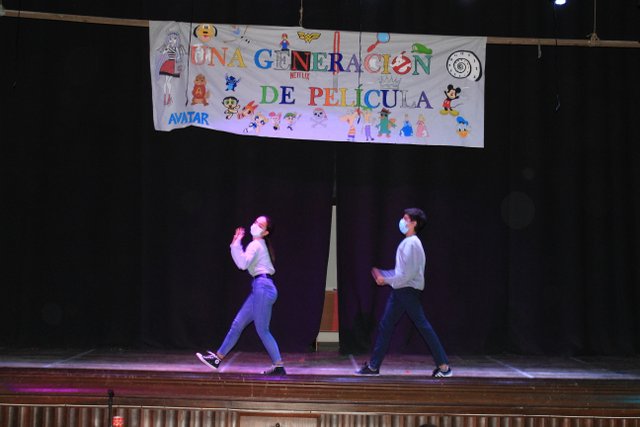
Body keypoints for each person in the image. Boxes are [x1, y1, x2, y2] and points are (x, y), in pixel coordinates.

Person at [356, 208, 452, 378]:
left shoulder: (412, 244)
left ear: (414, 223)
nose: (402, 221)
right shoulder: (409, 243)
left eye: (406, 218)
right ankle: (374, 366)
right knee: (387, 326)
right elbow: (402, 272)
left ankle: (444, 367)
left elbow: (407, 275)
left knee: (422, 325)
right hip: (401, 290)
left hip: (407, 291)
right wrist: (384, 274)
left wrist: (385, 279)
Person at [196, 215, 286, 375]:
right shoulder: (259, 245)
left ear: (265, 232)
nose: (255, 225)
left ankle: (279, 366)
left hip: (263, 288)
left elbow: (242, 264)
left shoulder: (256, 244)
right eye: (256, 222)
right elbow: (243, 262)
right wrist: (235, 243)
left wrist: (236, 243)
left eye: (260, 225)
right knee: (237, 324)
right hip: (261, 288)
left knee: (262, 330)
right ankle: (217, 358)